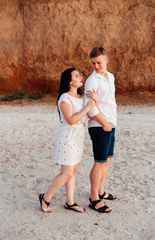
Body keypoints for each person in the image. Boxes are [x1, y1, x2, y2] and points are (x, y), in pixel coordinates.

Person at [39, 68, 97, 213]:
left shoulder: (82, 95)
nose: (80, 78)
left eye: (80, 75)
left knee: (73, 171)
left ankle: (70, 202)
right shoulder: (64, 98)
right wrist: (88, 107)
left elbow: (88, 114)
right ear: (70, 81)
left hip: (79, 137)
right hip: (67, 137)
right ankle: (45, 197)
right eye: (77, 76)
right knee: (66, 172)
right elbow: (71, 120)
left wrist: (94, 101)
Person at [84, 47, 117, 213]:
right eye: (93, 63)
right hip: (99, 126)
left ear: (106, 60)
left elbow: (109, 101)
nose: (96, 66)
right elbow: (90, 108)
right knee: (99, 162)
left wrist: (111, 123)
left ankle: (100, 191)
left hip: (110, 124)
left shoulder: (110, 76)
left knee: (108, 159)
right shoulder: (92, 80)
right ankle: (94, 198)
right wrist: (104, 123)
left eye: (99, 62)